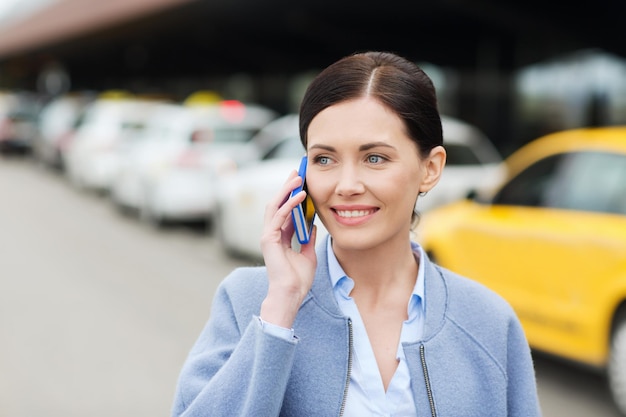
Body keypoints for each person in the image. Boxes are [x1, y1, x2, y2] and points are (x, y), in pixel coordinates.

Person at [171, 51, 541, 417]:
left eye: (375, 158)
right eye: (324, 159)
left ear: (430, 168)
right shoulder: (249, 302)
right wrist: (280, 313)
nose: (346, 185)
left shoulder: (489, 322)